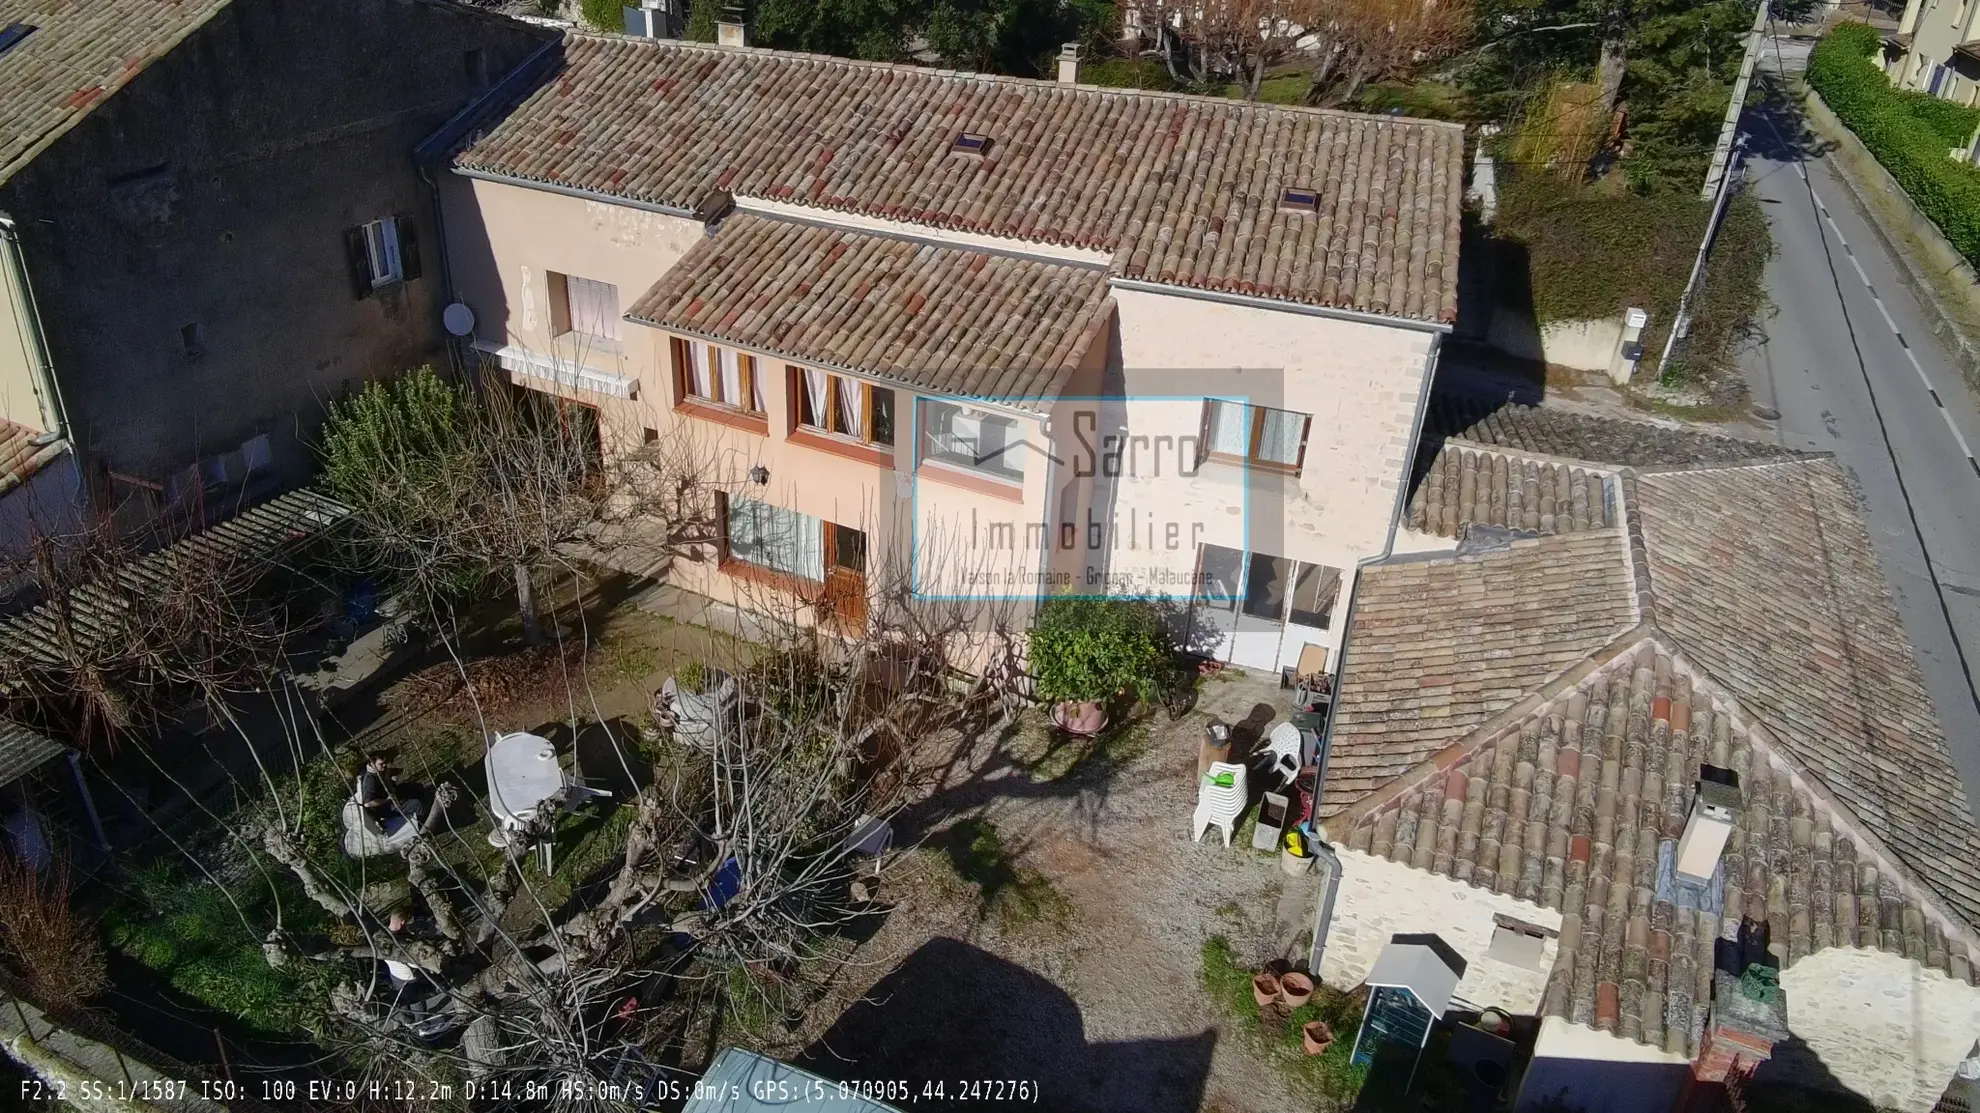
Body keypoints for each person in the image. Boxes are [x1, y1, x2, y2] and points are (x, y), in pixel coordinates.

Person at [355, 755, 423, 832]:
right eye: (381, 764)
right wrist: (386, 800)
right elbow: (368, 803)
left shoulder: (381, 771)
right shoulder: (370, 780)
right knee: (416, 804)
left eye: (385, 763)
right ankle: (422, 825)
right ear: (373, 763)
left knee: (416, 787)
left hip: (390, 794)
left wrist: (391, 779)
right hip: (384, 807)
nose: (384, 765)